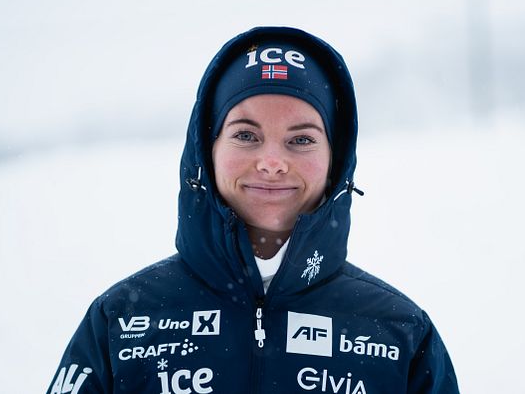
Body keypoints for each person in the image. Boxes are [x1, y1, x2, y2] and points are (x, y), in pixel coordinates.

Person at [47, 26, 459, 394]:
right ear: (206, 152)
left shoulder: (399, 333)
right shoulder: (119, 322)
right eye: (246, 134)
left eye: (301, 139)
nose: (272, 161)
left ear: (337, 160)